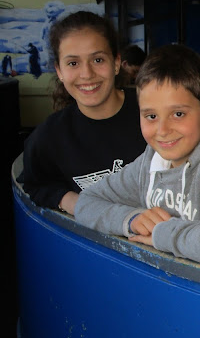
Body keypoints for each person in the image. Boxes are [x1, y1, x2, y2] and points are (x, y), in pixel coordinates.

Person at [75, 44, 200, 269]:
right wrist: (132, 219)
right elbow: (86, 203)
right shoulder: (152, 160)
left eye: (178, 114)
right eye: (151, 116)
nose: (163, 130)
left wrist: (160, 233)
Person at [21, 11, 147, 215]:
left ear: (116, 63)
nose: (87, 74)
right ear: (59, 71)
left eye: (98, 60)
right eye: (73, 63)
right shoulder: (50, 136)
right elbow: (36, 184)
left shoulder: (153, 111)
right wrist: (75, 203)